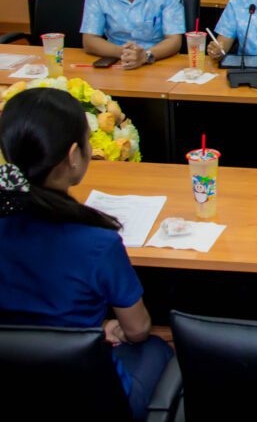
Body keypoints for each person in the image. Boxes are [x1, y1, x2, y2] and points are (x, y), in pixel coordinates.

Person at [0, 88, 172, 420]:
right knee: (154, 347)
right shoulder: (97, 242)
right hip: (88, 396)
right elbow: (137, 329)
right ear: (73, 154)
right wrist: (102, 327)